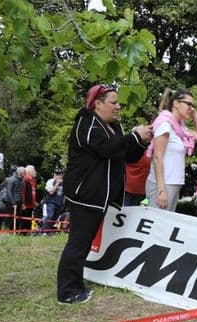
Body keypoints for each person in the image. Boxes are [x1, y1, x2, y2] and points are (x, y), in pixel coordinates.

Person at [56, 83, 152, 304]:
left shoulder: (113, 126)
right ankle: (68, 292)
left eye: (118, 103)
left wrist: (141, 141)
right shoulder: (87, 123)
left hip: (101, 196)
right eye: (113, 102)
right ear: (98, 104)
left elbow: (127, 155)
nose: (118, 107)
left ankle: (77, 282)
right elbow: (107, 148)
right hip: (86, 195)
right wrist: (134, 136)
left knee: (85, 242)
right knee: (78, 243)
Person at [146, 88, 197, 212]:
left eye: (193, 105)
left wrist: (194, 114)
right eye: (188, 104)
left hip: (173, 183)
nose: (191, 108)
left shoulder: (180, 129)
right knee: (159, 221)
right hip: (163, 184)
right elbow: (157, 156)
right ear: (176, 103)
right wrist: (161, 190)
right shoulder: (165, 124)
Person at [42, 168, 65, 232]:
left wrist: (63, 203)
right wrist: (57, 183)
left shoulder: (64, 183)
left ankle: (48, 231)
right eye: (57, 174)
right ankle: (44, 231)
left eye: (60, 175)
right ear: (54, 175)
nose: (58, 176)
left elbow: (64, 194)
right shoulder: (50, 181)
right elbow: (51, 192)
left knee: (54, 219)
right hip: (50, 202)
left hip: (59, 204)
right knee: (49, 216)